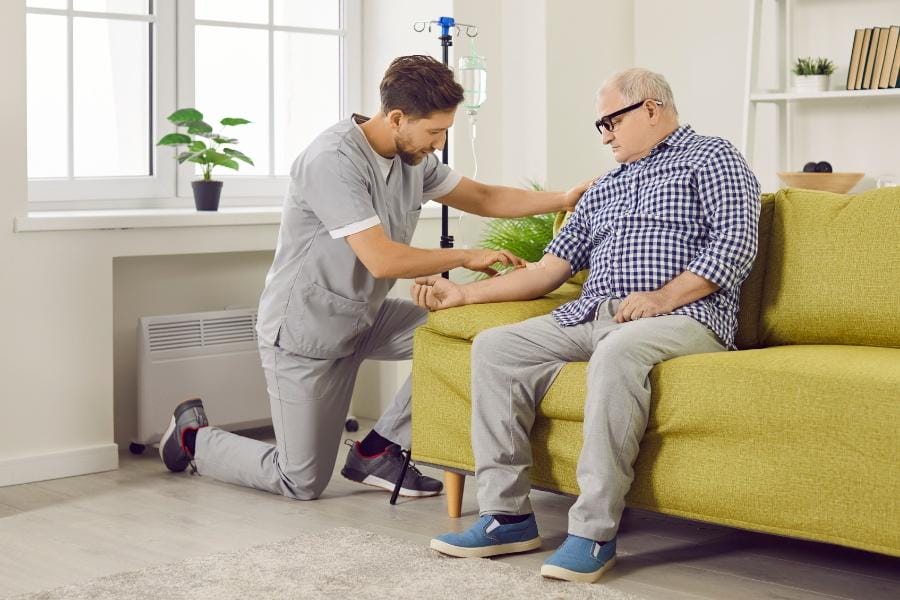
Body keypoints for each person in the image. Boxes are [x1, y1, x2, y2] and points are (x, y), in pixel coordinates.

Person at [157, 55, 588, 502]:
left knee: (466, 339)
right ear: (397, 118)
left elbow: (480, 195)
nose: (439, 144)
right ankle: (192, 439)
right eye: (435, 131)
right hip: (307, 332)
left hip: (367, 317)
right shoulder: (331, 160)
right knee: (300, 480)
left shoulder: (411, 155)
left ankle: (378, 450)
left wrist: (562, 197)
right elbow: (381, 259)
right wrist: (467, 256)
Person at [415, 68, 761, 583]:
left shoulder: (712, 156)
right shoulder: (604, 188)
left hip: (686, 316)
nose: (605, 135)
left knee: (619, 352)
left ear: (650, 108)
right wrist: (464, 292)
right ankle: (507, 517)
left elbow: (736, 243)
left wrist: (663, 297)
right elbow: (550, 270)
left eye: (611, 122)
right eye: (599, 126)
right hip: (588, 315)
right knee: (495, 347)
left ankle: (594, 532)